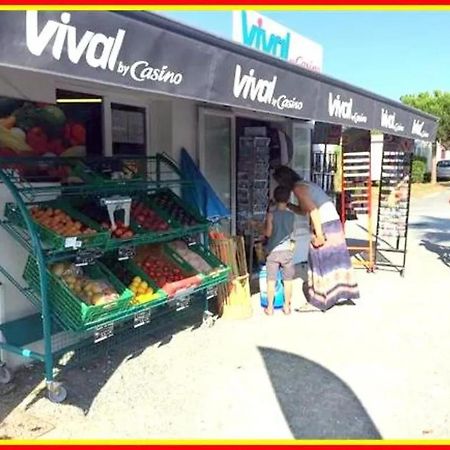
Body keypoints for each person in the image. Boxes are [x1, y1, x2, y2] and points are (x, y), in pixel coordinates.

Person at [272, 166, 359, 312]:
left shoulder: (299, 188)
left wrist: (319, 234)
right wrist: (287, 205)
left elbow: (313, 210)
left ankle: (318, 302)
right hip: (333, 222)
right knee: (335, 261)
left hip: (324, 225)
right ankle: (340, 293)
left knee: (318, 261)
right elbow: (303, 210)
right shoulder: (305, 185)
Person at [263, 186, 296, 316]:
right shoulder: (291, 215)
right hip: (287, 250)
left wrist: (263, 229)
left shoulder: (271, 215)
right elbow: (291, 232)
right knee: (288, 280)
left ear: (275, 199)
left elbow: (269, 233)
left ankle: (270, 308)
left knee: (271, 280)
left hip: (273, 251)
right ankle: (286, 307)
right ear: (288, 199)